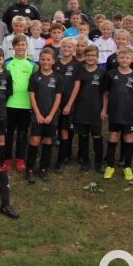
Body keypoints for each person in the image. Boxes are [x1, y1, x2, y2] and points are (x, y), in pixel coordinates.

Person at [102, 48, 133, 181]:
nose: (124, 60)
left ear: (132, 60)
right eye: (122, 58)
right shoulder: (111, 74)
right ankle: (110, 166)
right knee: (113, 136)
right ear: (117, 59)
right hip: (114, 111)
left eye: (127, 58)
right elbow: (106, 94)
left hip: (128, 113)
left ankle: (127, 167)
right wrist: (104, 110)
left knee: (128, 137)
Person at [26, 48, 62, 183]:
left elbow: (58, 98)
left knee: (48, 141)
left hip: (51, 116)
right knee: (35, 140)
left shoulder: (57, 77)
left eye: (48, 60)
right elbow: (32, 96)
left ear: (53, 61)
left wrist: (51, 115)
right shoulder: (35, 76)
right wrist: (38, 114)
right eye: (43, 59)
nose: (45, 62)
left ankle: (43, 168)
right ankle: (29, 169)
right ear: (39, 60)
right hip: (38, 115)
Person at [3, 36, 36, 172]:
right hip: (9, 104)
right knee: (8, 133)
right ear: (13, 47)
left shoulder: (32, 65)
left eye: (23, 45)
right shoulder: (7, 63)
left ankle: (20, 159)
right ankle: (7, 159)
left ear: (26, 46)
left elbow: (35, 86)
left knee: (22, 133)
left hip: (25, 104)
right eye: (18, 45)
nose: (21, 47)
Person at [74, 46, 106, 173]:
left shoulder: (102, 73)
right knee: (83, 135)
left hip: (96, 109)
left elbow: (105, 93)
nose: (90, 58)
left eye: (93, 55)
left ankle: (99, 162)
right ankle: (85, 160)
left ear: (97, 57)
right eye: (88, 55)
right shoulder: (80, 71)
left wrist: (104, 109)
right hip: (81, 108)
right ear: (85, 56)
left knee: (97, 135)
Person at [54, 38, 81, 173]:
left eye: (69, 47)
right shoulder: (56, 64)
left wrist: (69, 104)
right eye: (64, 46)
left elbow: (77, 85)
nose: (66, 48)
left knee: (66, 130)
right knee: (61, 129)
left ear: (74, 49)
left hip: (69, 102)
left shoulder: (77, 65)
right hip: (55, 102)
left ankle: (62, 159)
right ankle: (65, 154)